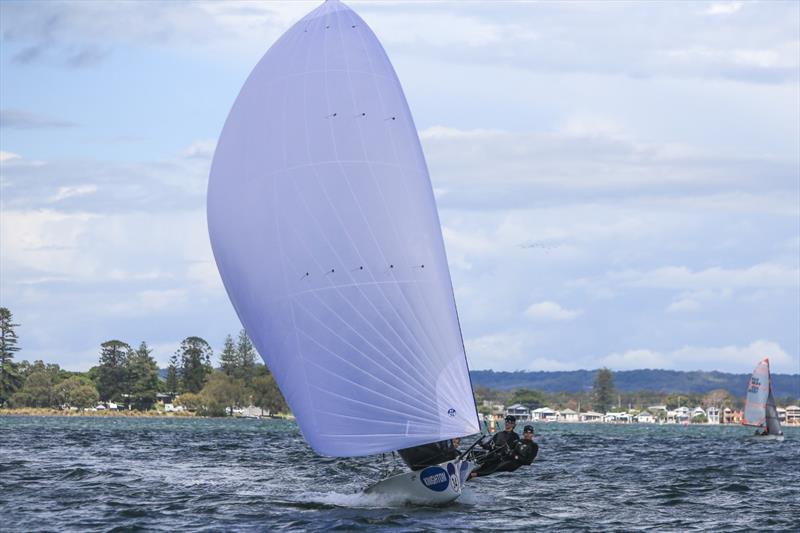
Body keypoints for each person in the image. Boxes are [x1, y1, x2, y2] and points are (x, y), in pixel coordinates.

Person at [470, 424, 537, 478]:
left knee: (496, 466)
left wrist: (515, 456)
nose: (528, 434)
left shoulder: (534, 446)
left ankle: (474, 474)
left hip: (515, 463)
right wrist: (485, 445)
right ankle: (469, 471)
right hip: (506, 458)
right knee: (489, 460)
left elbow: (528, 462)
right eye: (526, 432)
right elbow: (506, 449)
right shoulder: (517, 441)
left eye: (530, 433)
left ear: (533, 434)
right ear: (523, 433)